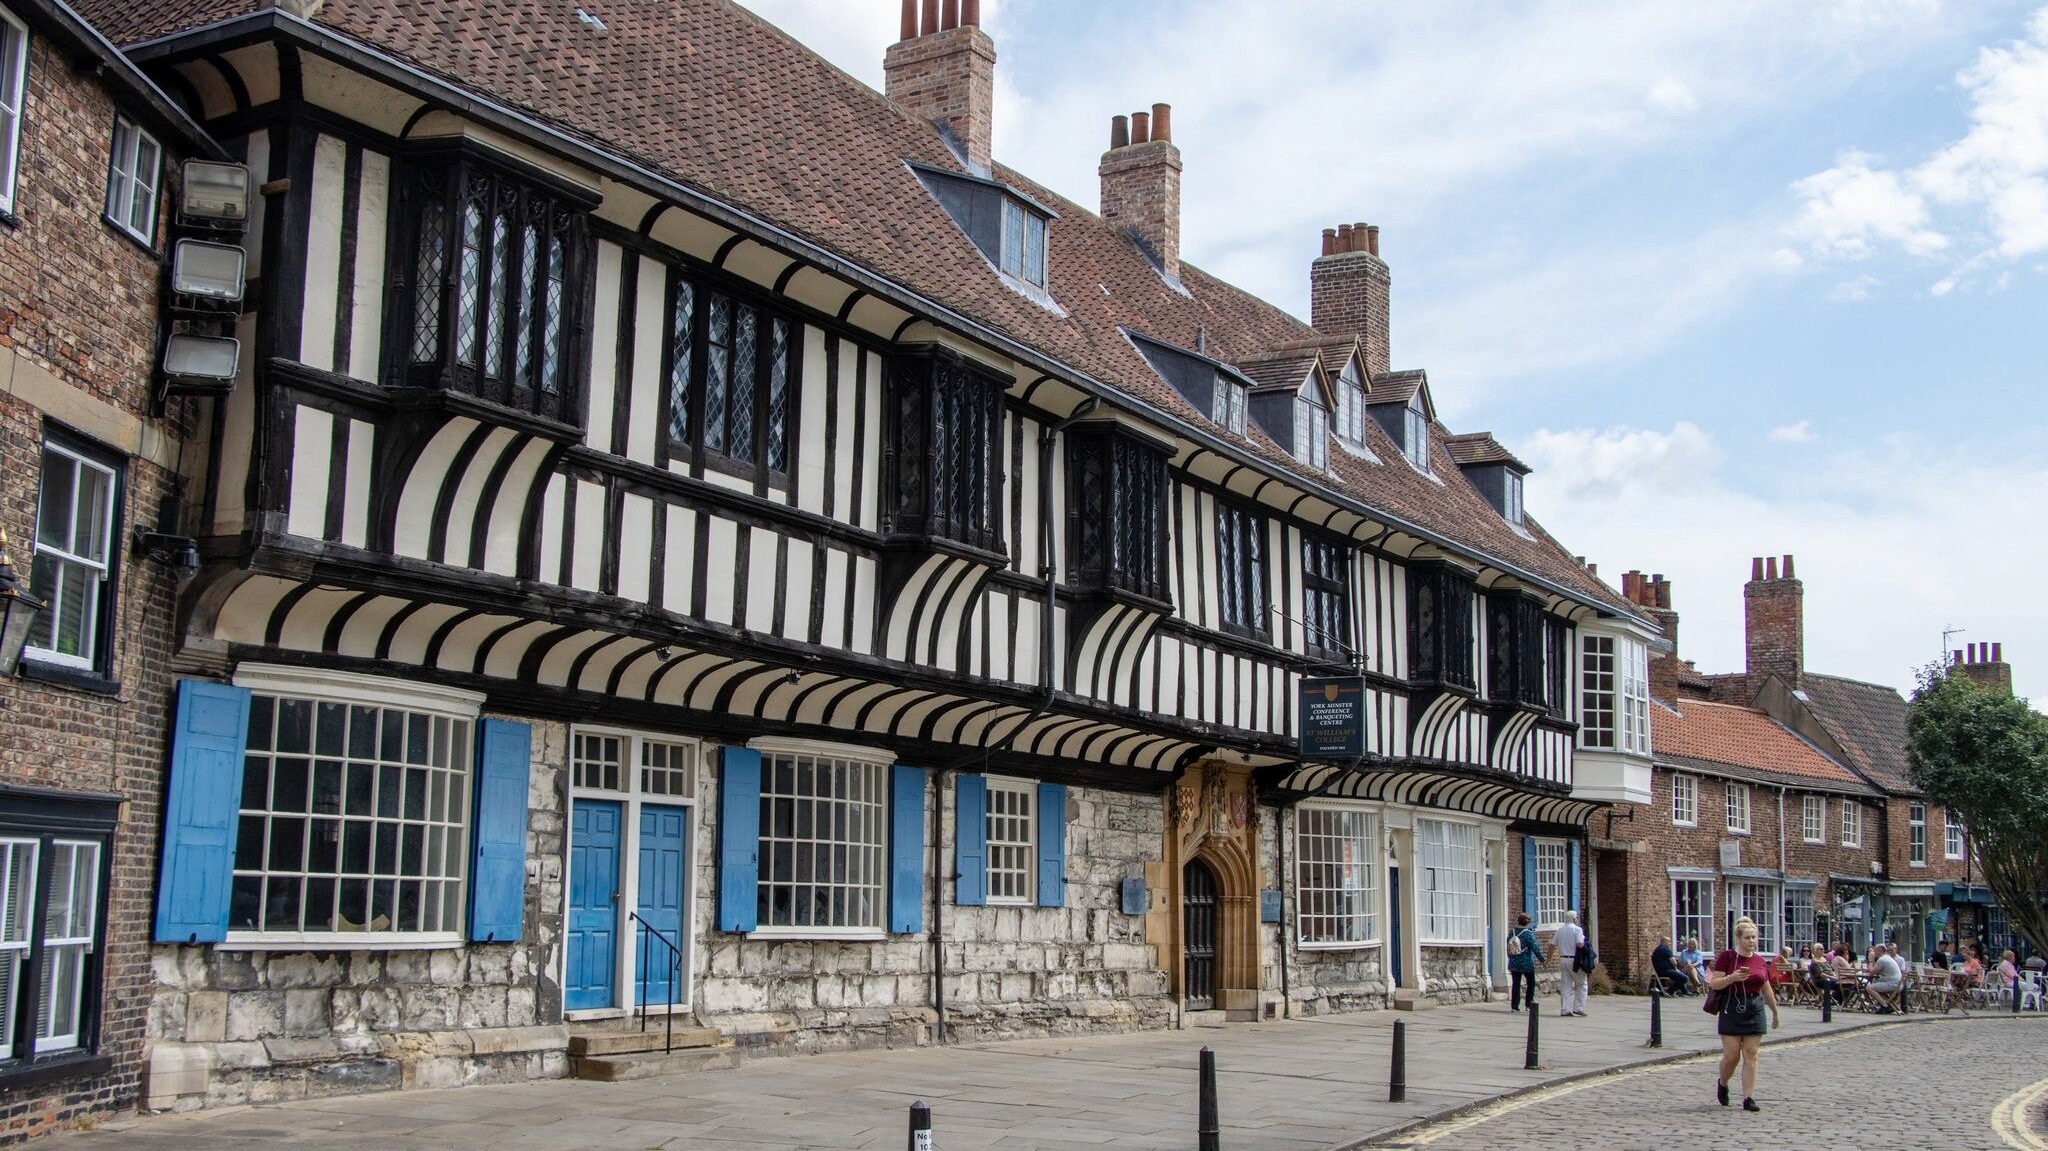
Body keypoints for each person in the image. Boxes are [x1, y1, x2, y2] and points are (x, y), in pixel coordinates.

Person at [1708, 916, 1780, 1112]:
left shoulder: (1759, 961)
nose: (1751, 941)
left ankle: (1748, 1098)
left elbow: (1766, 989)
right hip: (1732, 1007)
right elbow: (1714, 983)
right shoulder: (1728, 957)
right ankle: (1723, 1082)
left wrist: (1774, 1011)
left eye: (1754, 937)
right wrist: (1732, 978)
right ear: (1738, 939)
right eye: (1747, 937)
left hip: (1754, 1008)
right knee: (1731, 1056)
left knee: (1751, 1054)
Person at [1555, 909, 1589, 1016]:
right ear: (1574, 919)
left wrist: (1548, 959)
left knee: (1566, 985)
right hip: (1575, 959)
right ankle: (1578, 1008)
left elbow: (1552, 945)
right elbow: (1579, 944)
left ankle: (1564, 1009)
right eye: (1577, 918)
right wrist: (1587, 947)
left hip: (1563, 958)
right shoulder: (1577, 930)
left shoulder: (1559, 930)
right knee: (1582, 984)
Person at [1506, 912, 1540, 1012]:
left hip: (1514, 962)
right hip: (1526, 963)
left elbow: (1508, 945)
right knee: (1531, 983)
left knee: (1516, 984)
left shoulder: (1512, 932)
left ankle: (1514, 1006)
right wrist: (1542, 960)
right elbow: (1535, 948)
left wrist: (1510, 957)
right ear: (1528, 922)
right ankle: (1528, 1005)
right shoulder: (1528, 933)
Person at [1866, 943, 1904, 1012]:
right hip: (1898, 984)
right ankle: (1889, 1005)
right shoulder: (1888, 958)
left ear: (1880, 951)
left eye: (1875, 951)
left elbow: (1871, 972)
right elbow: (1877, 971)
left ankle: (1884, 1005)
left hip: (1892, 984)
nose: (1874, 953)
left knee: (1869, 988)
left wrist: (1871, 960)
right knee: (1877, 988)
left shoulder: (1882, 959)